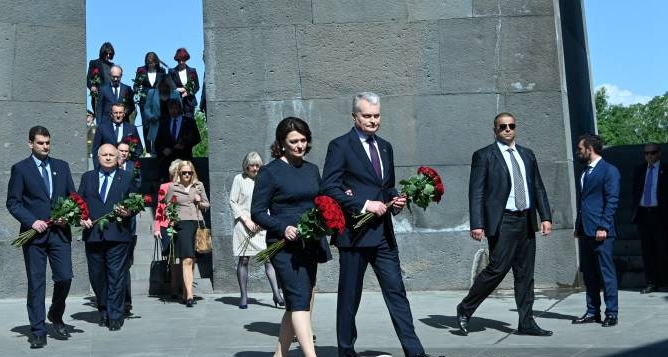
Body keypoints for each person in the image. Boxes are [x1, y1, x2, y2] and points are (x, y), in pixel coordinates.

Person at [321, 92, 427, 357]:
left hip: (383, 236)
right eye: (366, 116)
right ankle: (346, 352)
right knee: (349, 299)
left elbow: (386, 186)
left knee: (397, 294)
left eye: (376, 115)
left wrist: (396, 199)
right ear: (354, 117)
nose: (372, 120)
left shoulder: (385, 146)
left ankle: (416, 353)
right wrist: (364, 204)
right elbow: (329, 187)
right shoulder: (340, 146)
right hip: (354, 235)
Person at [455, 112, 553, 337]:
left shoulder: (527, 155)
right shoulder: (484, 156)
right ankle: (465, 308)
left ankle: (526, 322)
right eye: (502, 127)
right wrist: (477, 224)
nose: (507, 129)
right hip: (503, 221)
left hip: (526, 219)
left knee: (525, 274)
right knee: (497, 269)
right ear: (495, 130)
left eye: (511, 126)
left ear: (515, 128)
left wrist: (545, 217)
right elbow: (476, 191)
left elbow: (538, 187)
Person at [251, 117, 331, 357]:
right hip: (284, 246)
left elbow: (320, 202)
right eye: (294, 141)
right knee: (298, 300)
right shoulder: (269, 172)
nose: (300, 145)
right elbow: (257, 212)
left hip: (310, 242)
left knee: (301, 301)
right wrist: (282, 227)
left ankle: (280, 354)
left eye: (303, 140)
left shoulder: (312, 170)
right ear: (281, 143)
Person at [6, 126, 76, 348]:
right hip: (34, 236)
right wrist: (31, 221)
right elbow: (13, 202)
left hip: (59, 234)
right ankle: (38, 330)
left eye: (47, 142)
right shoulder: (21, 169)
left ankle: (55, 314)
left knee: (65, 277)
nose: (45, 146)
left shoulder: (62, 167)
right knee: (37, 284)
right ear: (30, 144)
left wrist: (67, 215)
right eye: (40, 143)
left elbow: (71, 198)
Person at [78, 144, 139, 331]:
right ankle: (103, 307)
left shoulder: (127, 177)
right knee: (97, 276)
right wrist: (82, 218)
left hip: (118, 235)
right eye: (104, 154)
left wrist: (128, 211)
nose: (107, 157)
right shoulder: (88, 178)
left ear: (118, 158)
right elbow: (79, 202)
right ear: (97, 158)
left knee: (116, 275)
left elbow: (136, 202)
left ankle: (115, 315)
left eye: (111, 154)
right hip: (93, 235)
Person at [573, 134, 620, 327]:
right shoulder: (585, 172)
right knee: (590, 275)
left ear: (590, 149)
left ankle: (612, 313)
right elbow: (584, 203)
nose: (578, 152)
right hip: (586, 231)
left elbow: (612, 201)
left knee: (606, 274)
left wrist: (603, 226)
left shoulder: (609, 171)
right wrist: (578, 226)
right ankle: (592, 311)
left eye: (580, 149)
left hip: (601, 232)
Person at [230, 151, 284, 309]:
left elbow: (270, 201)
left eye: (258, 165)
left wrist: (264, 220)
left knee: (269, 259)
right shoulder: (239, 179)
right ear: (246, 166)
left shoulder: (265, 179)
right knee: (244, 260)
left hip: (262, 225)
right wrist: (246, 220)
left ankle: (276, 294)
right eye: (252, 165)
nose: (255, 168)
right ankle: (244, 296)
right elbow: (233, 201)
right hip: (244, 225)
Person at [165, 160, 210, 307]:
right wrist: (171, 219)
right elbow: (167, 207)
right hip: (182, 224)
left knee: (192, 260)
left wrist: (199, 201)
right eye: (184, 172)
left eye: (189, 172)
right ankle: (190, 295)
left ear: (193, 173)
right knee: (187, 259)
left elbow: (206, 204)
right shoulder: (173, 187)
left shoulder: (199, 186)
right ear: (179, 173)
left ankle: (185, 292)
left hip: (197, 223)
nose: (186, 175)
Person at [631, 143, 668, 294]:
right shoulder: (639, 170)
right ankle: (651, 282)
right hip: (644, 214)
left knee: (664, 249)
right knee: (647, 251)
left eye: (652, 153)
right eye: (646, 153)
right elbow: (635, 191)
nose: (649, 156)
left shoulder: (666, 169)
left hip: (661, 214)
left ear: (659, 153)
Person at [117, 142, 140, 314]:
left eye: (126, 151)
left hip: (128, 221)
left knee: (126, 263)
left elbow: (137, 188)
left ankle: (126, 301)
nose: (123, 154)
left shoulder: (132, 168)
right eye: (121, 151)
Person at [154, 159, 183, 297]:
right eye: (174, 173)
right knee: (171, 257)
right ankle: (173, 287)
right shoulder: (164, 187)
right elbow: (160, 208)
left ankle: (183, 285)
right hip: (166, 226)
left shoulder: (188, 187)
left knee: (183, 256)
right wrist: (157, 228)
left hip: (183, 225)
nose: (175, 176)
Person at [155, 98, 201, 181]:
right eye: (171, 108)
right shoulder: (164, 123)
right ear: (168, 109)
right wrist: (163, 149)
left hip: (185, 160)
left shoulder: (189, 122)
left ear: (180, 108)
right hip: (167, 163)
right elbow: (157, 142)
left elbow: (196, 138)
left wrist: (185, 145)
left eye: (176, 108)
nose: (174, 111)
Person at [134, 52, 168, 154]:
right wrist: (136, 89)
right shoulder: (141, 70)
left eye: (152, 62)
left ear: (156, 62)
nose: (150, 64)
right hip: (145, 102)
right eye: (148, 63)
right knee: (146, 126)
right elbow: (136, 84)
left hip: (158, 102)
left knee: (157, 125)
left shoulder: (162, 71)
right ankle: (148, 150)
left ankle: (155, 150)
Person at [92, 102, 143, 168]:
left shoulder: (131, 128)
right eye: (116, 113)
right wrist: (97, 169)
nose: (118, 115)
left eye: (120, 112)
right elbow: (95, 150)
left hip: (125, 168)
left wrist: (128, 160)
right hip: (107, 167)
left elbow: (139, 149)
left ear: (124, 114)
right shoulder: (102, 128)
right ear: (111, 114)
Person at [143, 77, 180, 156]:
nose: (164, 88)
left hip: (172, 126)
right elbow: (146, 108)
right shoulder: (152, 93)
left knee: (172, 150)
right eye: (162, 86)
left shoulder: (175, 93)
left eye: (166, 86)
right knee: (156, 151)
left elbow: (180, 108)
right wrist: (151, 116)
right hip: (156, 125)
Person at [168, 47, 199, 119]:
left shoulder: (192, 71)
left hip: (189, 102)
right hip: (176, 103)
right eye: (179, 60)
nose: (181, 62)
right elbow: (168, 87)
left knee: (189, 124)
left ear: (186, 59)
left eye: (183, 60)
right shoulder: (171, 72)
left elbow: (197, 87)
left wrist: (188, 92)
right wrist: (178, 89)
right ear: (177, 60)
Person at [87, 42, 115, 114]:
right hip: (98, 95)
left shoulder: (112, 65)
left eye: (110, 54)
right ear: (102, 52)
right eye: (106, 53)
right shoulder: (94, 63)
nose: (108, 56)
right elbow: (88, 78)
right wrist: (92, 87)